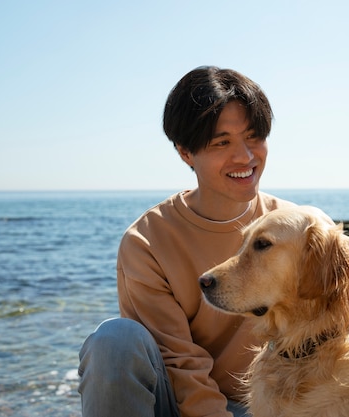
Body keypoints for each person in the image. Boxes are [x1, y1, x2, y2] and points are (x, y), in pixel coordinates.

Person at [77, 66, 297, 417]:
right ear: (185, 153)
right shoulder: (146, 242)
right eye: (222, 142)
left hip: (277, 405)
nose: (245, 157)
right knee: (114, 342)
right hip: (183, 406)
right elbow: (178, 363)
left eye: (253, 137)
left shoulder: (295, 230)